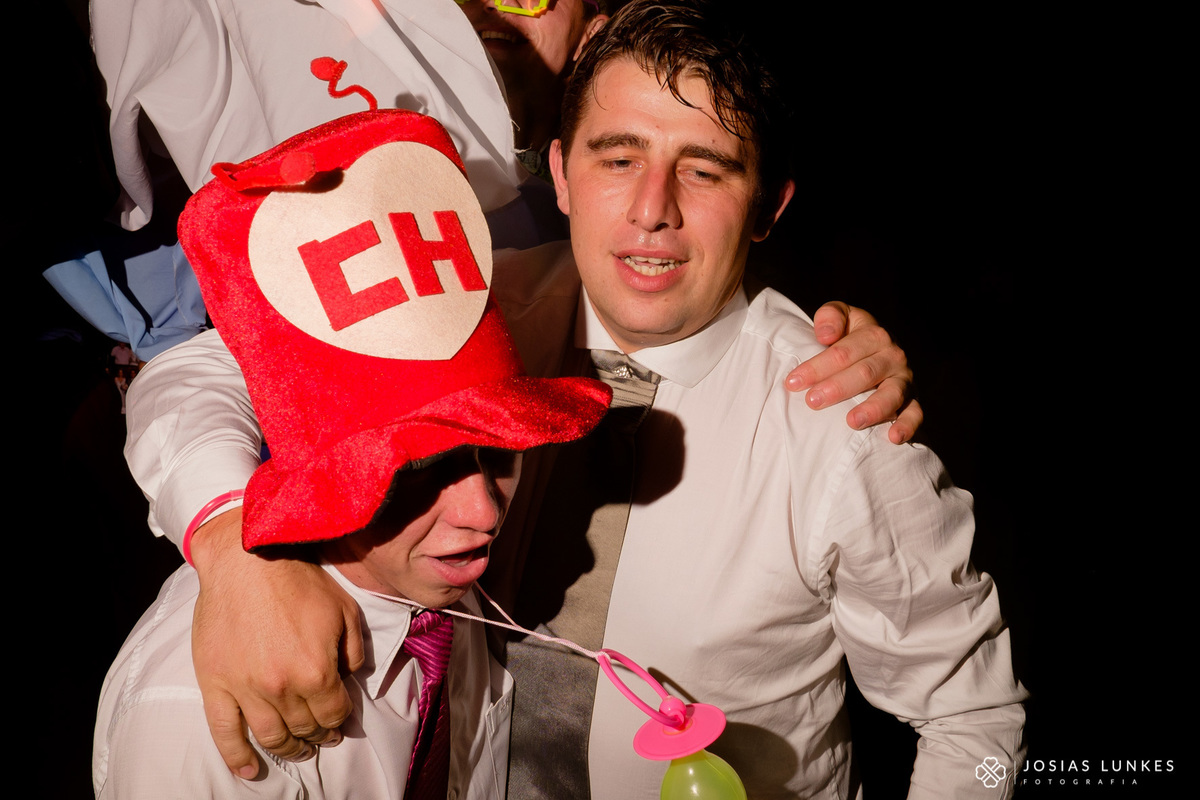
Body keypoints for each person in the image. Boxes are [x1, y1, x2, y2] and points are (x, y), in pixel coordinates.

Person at [93, 106, 613, 798]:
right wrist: (228, 536)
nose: (484, 510)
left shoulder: (440, 592)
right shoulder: (199, 722)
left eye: (495, 449)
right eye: (422, 466)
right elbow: (194, 373)